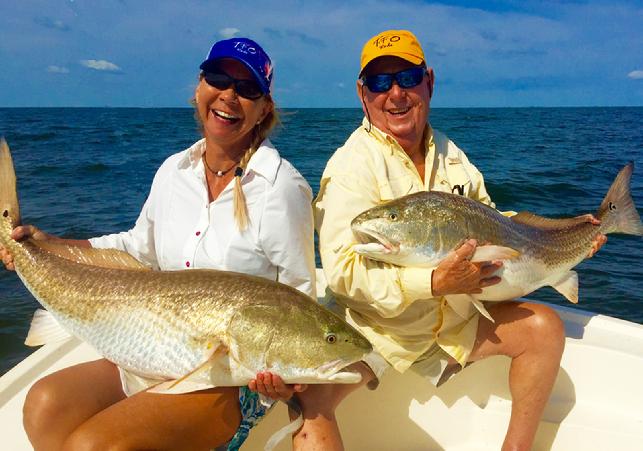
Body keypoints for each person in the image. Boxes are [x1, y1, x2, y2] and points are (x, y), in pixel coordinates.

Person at [0, 37, 315, 450]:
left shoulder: (282, 189)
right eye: (218, 78)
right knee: (43, 406)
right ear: (199, 88)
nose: (229, 96)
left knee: (96, 446)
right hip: (154, 347)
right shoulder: (173, 171)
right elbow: (135, 249)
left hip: (231, 377)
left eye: (248, 88)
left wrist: (289, 379)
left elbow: (299, 297)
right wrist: (46, 245)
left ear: (263, 109)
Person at [303, 30, 607, 451]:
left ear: (429, 81)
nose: (395, 94)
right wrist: (432, 284)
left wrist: (567, 234)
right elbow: (342, 275)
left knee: (544, 329)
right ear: (362, 93)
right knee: (307, 402)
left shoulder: (451, 153)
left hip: (455, 327)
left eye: (407, 78)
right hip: (378, 333)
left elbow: (497, 221)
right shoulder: (351, 167)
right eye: (379, 82)